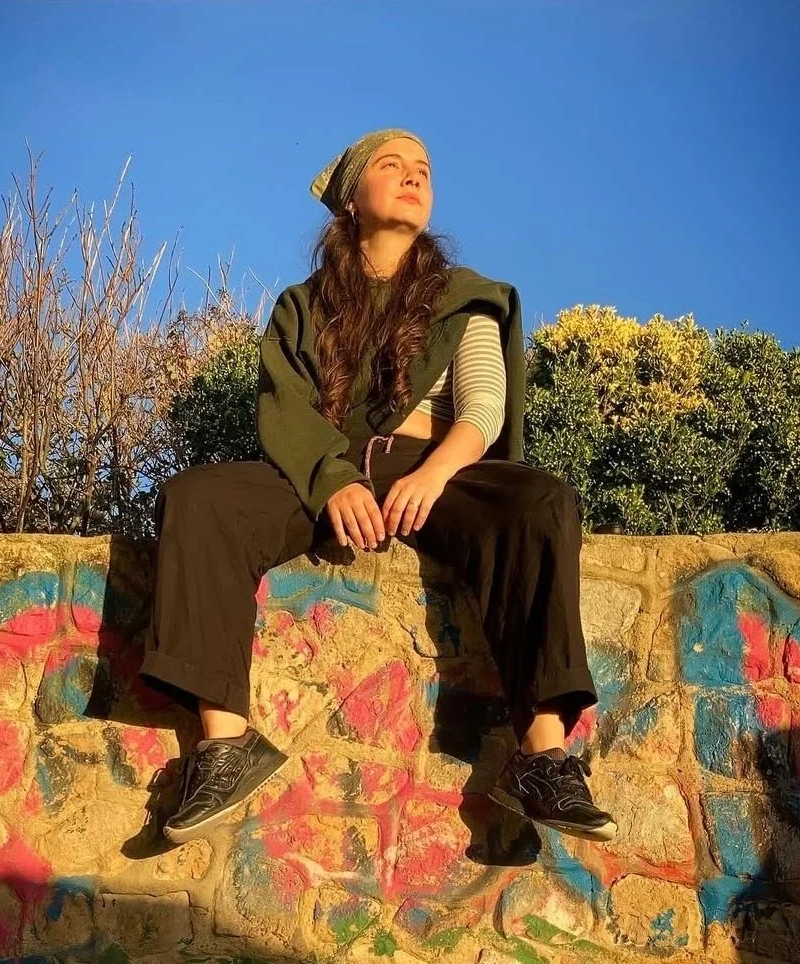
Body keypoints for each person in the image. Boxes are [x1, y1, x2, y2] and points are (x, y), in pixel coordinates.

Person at [140, 128, 617, 847]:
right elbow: (286, 412)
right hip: (329, 467)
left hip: (442, 469)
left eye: (423, 168)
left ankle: (543, 758)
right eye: (392, 166)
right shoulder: (301, 307)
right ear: (352, 201)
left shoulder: (467, 297)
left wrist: (434, 473)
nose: (413, 176)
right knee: (199, 499)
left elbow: (484, 409)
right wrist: (333, 481)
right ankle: (225, 744)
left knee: (541, 503)